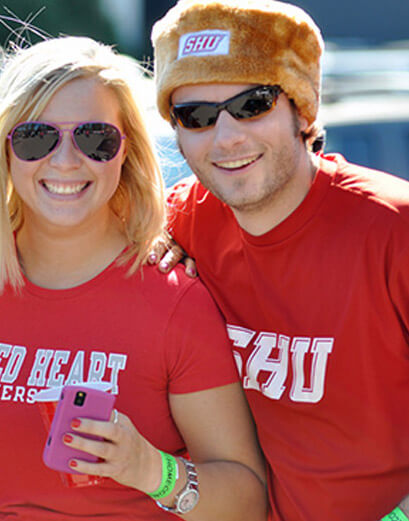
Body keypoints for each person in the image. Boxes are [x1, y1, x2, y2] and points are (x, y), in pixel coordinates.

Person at [0, 36, 266, 521]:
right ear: (3, 148)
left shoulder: (173, 301)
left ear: (126, 151)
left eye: (95, 138)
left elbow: (246, 501)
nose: (66, 160)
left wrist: (151, 469)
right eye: (35, 137)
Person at [151, 1, 409, 520]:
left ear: (301, 108)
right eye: (196, 115)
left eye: (253, 104)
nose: (226, 137)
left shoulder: (393, 230)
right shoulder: (181, 220)